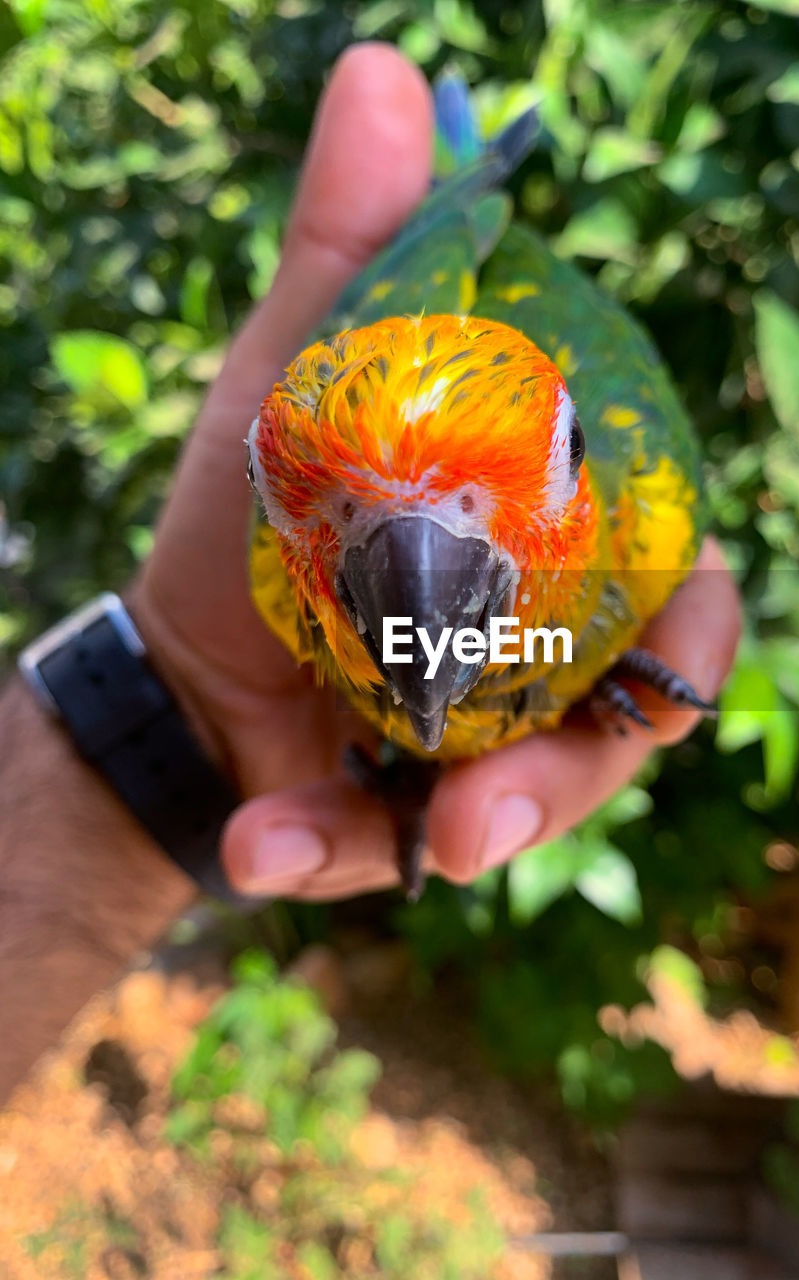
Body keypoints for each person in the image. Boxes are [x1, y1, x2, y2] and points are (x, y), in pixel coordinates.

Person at [0, 44, 740, 1103]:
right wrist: (165, 720)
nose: (418, 543)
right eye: (311, 501)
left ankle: (464, 157)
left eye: (508, 483)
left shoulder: (651, 509)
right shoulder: (275, 577)